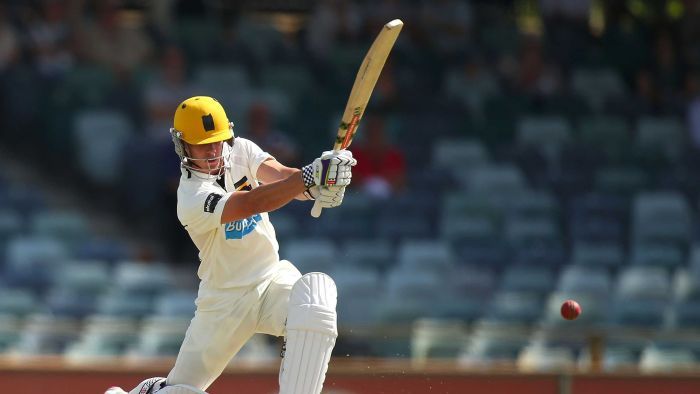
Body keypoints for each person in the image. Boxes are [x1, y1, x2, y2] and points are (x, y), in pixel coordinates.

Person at [106, 96, 356, 394]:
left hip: (269, 280)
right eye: (203, 144)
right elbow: (251, 202)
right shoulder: (191, 196)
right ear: (182, 146)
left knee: (317, 296)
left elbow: (283, 177)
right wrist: (309, 178)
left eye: (218, 141)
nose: (213, 151)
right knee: (181, 390)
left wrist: (319, 186)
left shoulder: (241, 149)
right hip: (224, 300)